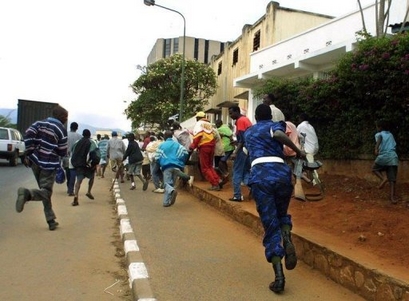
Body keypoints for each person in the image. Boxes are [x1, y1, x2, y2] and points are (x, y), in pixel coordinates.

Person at [244, 103, 306, 294]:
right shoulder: (275, 125)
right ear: (270, 115)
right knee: (281, 213)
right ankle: (287, 237)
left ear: (255, 116)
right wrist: (298, 150)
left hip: (261, 176)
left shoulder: (249, 132)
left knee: (270, 225)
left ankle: (279, 277)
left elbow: (249, 153)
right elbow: (279, 135)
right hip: (281, 174)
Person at [15, 105, 68, 231]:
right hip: (49, 164)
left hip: (35, 161)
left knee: (43, 190)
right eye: (65, 117)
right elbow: (62, 151)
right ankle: (28, 194)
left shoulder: (38, 123)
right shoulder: (61, 129)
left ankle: (51, 220)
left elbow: (27, 136)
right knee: (46, 192)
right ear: (60, 116)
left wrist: (29, 153)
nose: (66, 119)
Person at [156, 130, 191, 207]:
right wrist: (180, 161)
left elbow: (157, 157)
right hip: (177, 166)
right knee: (171, 184)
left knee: (167, 184)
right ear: (172, 136)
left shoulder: (162, 145)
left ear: (165, 137)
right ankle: (166, 202)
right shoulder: (177, 145)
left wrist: (160, 163)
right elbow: (185, 152)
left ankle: (171, 194)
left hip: (166, 166)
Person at [189, 111, 223, 191]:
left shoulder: (199, 124)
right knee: (210, 166)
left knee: (205, 168)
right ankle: (218, 180)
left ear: (198, 118)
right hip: (211, 145)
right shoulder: (209, 124)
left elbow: (198, 136)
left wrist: (193, 146)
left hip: (204, 146)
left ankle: (215, 184)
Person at [228, 106, 252, 201]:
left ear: (237, 112)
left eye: (231, 113)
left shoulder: (240, 121)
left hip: (243, 150)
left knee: (237, 172)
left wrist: (235, 152)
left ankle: (237, 195)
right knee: (246, 172)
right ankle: (253, 189)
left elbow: (242, 140)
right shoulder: (245, 119)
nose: (230, 115)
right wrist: (236, 142)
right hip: (248, 149)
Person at [372, 120, 399, 204]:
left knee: (374, 169)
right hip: (393, 157)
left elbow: (379, 139)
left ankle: (383, 178)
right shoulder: (391, 135)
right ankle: (392, 198)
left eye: (377, 126)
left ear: (380, 127)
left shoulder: (379, 134)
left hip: (383, 156)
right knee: (392, 180)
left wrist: (376, 148)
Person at [70, 129, 99, 206]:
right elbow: (96, 154)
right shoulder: (92, 143)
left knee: (78, 181)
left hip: (79, 165)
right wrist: (95, 164)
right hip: (88, 166)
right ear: (89, 135)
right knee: (92, 177)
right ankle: (89, 191)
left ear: (82, 134)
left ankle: (76, 196)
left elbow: (72, 151)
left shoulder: (77, 142)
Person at [296, 113, 320, 184]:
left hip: (309, 149)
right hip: (315, 147)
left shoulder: (300, 126)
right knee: (309, 162)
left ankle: (316, 180)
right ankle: (308, 175)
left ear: (301, 119)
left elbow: (296, 136)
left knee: (309, 164)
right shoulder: (310, 126)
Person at [65, 122, 82, 196]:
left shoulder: (65, 135)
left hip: (66, 157)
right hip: (75, 158)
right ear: (77, 128)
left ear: (70, 127)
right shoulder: (79, 136)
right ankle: (70, 189)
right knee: (73, 174)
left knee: (68, 172)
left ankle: (69, 186)